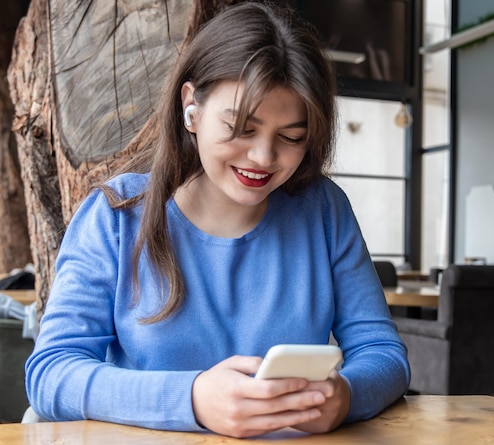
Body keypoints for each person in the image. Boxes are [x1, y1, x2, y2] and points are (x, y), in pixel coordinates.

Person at [25, 1, 410, 438]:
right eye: (242, 128)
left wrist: (346, 395)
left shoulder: (323, 210)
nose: (263, 158)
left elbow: (384, 354)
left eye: (291, 137)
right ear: (192, 107)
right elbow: (51, 373)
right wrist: (190, 400)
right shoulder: (116, 217)